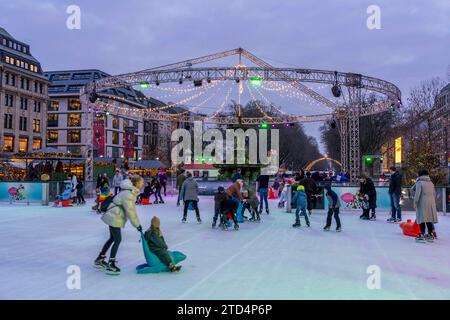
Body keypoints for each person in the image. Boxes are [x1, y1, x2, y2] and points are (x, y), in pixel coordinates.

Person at [94, 175, 144, 275]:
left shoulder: (129, 191)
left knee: (112, 238)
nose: (142, 184)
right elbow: (130, 211)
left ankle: (100, 258)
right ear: (136, 183)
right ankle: (111, 264)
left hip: (114, 215)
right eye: (141, 182)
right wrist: (137, 225)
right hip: (114, 216)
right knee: (117, 239)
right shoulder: (128, 194)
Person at [413, 170, 438, 243]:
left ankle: (422, 234)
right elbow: (434, 193)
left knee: (422, 218)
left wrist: (415, 203)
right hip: (431, 202)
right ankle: (430, 234)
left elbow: (417, 194)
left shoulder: (419, 182)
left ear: (419, 175)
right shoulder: (431, 183)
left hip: (422, 202)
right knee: (429, 218)